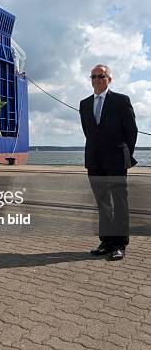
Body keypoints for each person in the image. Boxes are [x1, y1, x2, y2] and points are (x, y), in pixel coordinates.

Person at [79, 64, 137, 261]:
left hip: (116, 160)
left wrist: (124, 154)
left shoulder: (121, 101)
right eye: (93, 76)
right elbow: (88, 131)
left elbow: (132, 131)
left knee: (120, 203)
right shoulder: (84, 103)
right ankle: (107, 242)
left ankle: (120, 244)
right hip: (94, 161)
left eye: (101, 76)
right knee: (102, 203)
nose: (96, 79)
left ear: (109, 79)